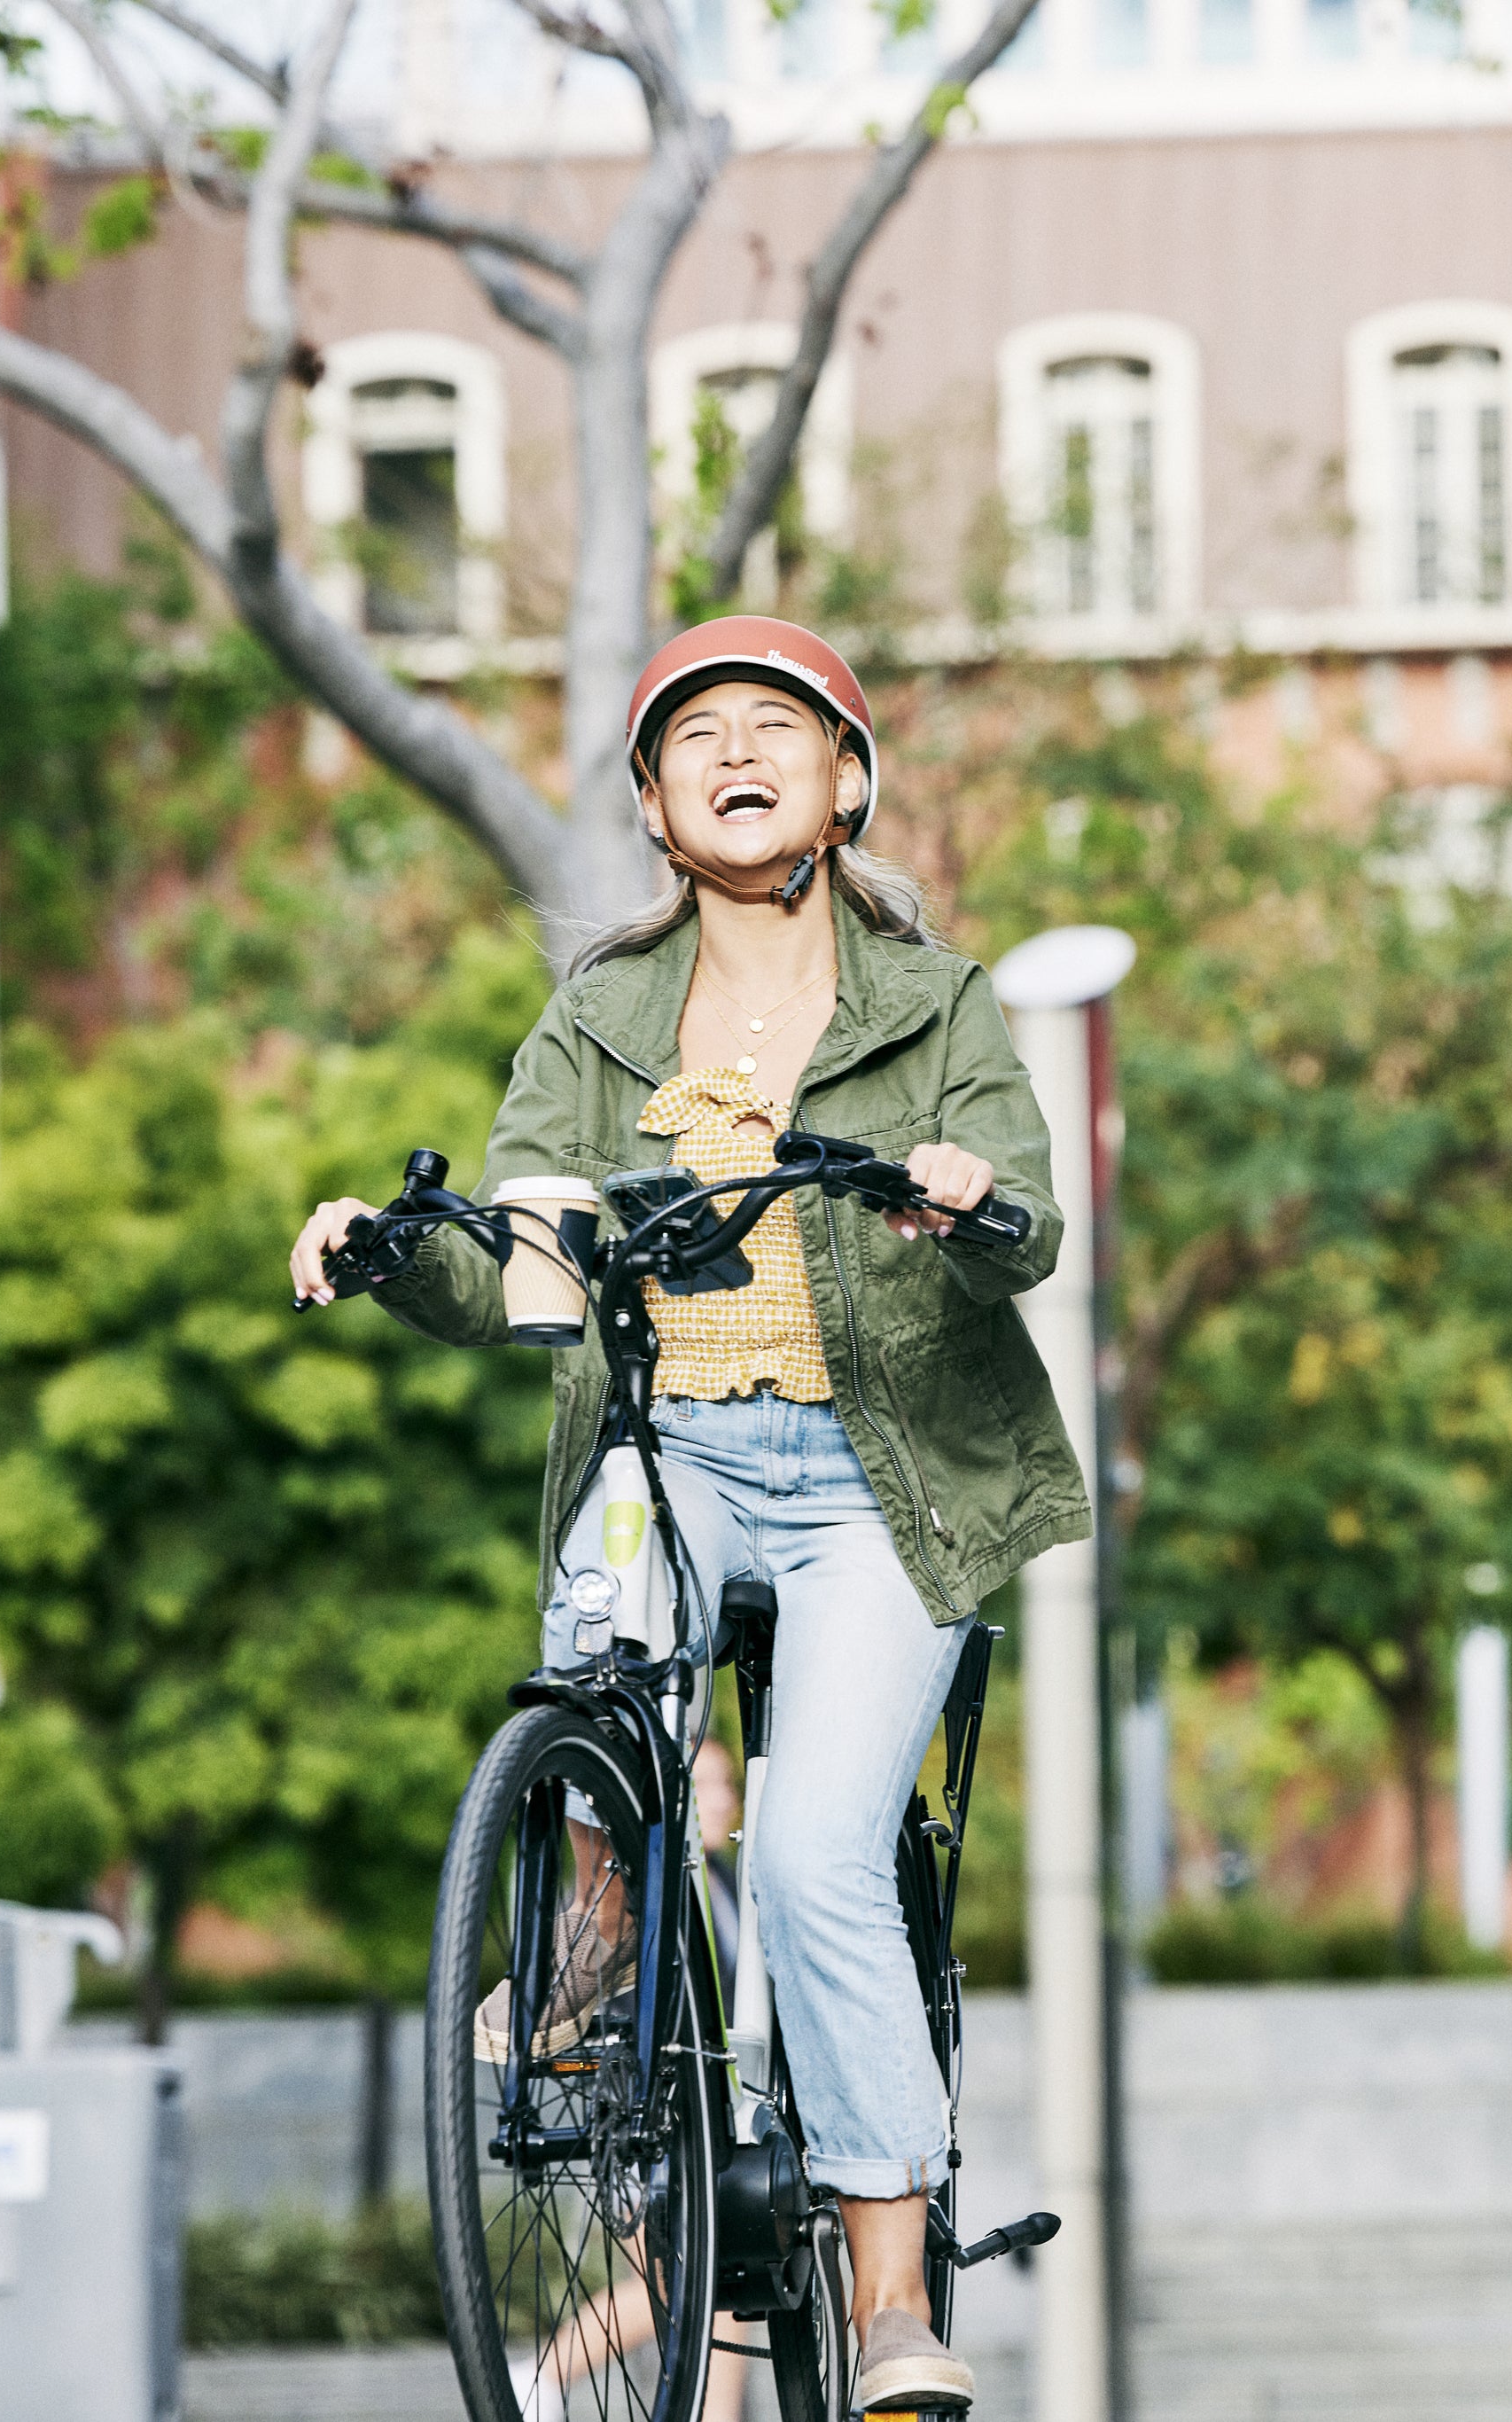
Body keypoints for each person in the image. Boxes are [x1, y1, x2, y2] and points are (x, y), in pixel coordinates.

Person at [291, 613, 1089, 2416]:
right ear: (654, 804)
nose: (737, 753)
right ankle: (588, 1924)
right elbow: (526, 1260)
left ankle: (889, 2298)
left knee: (813, 1855)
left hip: (874, 1483)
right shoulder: (597, 1018)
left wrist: (963, 1199)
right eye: (697, 736)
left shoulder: (932, 1000)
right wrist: (383, 1248)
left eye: (775, 730)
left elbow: (1020, 1219)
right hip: (678, 1453)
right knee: (601, 1638)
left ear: (843, 783)